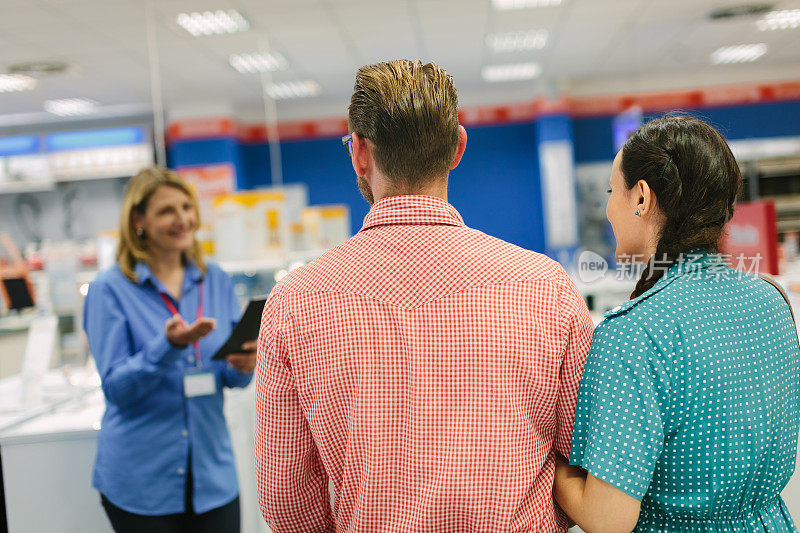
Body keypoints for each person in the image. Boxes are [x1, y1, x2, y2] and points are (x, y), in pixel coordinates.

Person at [255, 59, 593, 531]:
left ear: (359, 153)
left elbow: (285, 497)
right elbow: (583, 461)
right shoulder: (546, 286)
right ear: (457, 147)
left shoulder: (295, 300)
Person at [554, 116, 800, 532]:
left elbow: (607, 518)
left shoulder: (633, 334)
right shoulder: (771, 300)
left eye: (613, 191)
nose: (609, 209)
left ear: (642, 198)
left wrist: (550, 462)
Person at [83, 167, 257, 533]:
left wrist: (243, 365)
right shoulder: (110, 289)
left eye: (186, 207)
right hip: (142, 484)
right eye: (167, 211)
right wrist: (168, 346)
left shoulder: (216, 279)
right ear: (138, 220)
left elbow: (229, 378)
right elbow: (117, 389)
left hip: (213, 476)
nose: (183, 220)